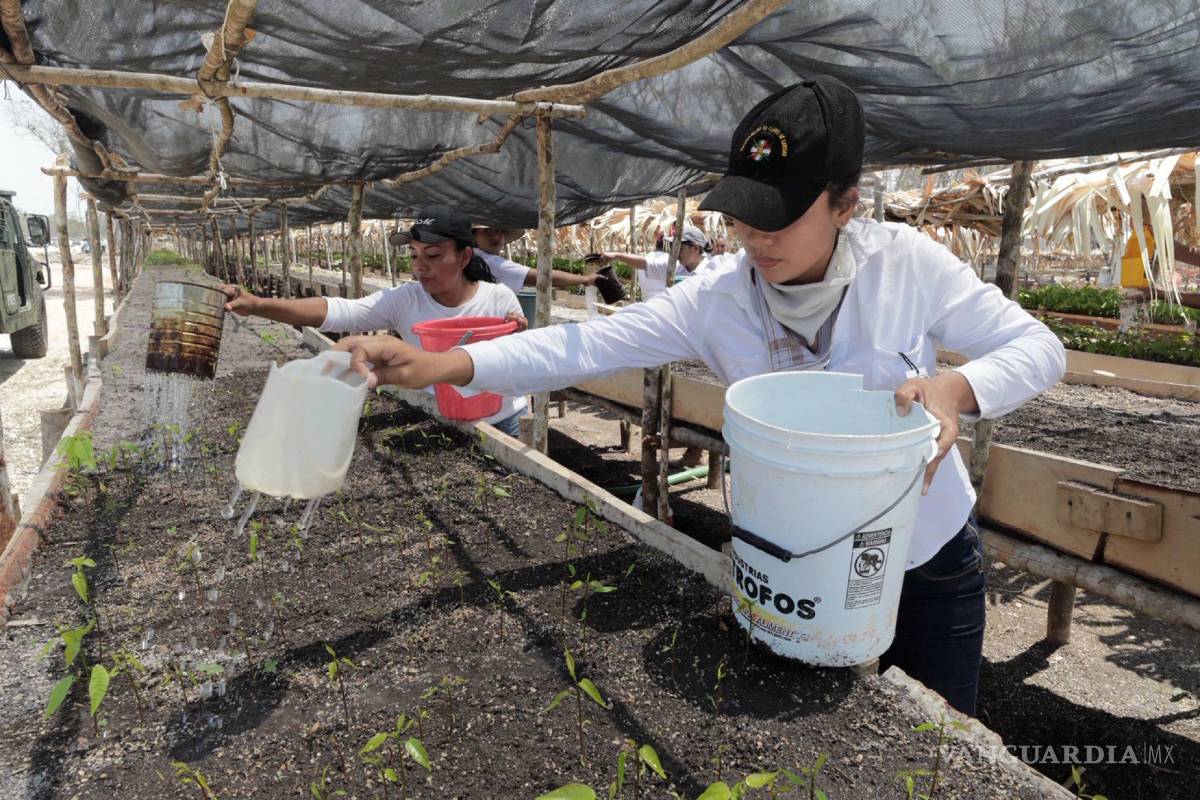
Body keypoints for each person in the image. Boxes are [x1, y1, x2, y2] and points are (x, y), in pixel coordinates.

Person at [332, 79, 1066, 716]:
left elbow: (1040, 348)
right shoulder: (717, 296)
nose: (753, 237)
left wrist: (955, 386)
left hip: (923, 553)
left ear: (844, 205)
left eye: (775, 217)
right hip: (791, 559)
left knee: (934, 741)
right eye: (741, 216)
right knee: (808, 730)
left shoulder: (906, 267)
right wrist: (443, 365)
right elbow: (582, 346)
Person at [218, 204, 529, 436]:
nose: (420, 266)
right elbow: (338, 310)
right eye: (414, 255)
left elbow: (521, 365)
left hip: (500, 421)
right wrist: (258, 304)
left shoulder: (498, 300)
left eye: (433, 256)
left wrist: (519, 336)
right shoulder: (406, 300)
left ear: (464, 257)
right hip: (443, 417)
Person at [599, 224, 722, 300]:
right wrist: (616, 255)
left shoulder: (712, 270)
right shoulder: (674, 267)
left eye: (680, 248)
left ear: (695, 248)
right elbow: (644, 263)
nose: (676, 253)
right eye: (674, 248)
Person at [471, 224, 598, 294]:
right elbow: (543, 277)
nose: (496, 236)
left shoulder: (472, 256)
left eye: (499, 230)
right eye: (487, 231)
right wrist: (585, 279)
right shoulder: (488, 262)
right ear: (474, 237)